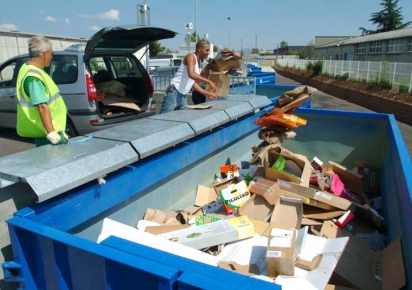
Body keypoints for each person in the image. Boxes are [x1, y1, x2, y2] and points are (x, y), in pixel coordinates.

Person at [16, 35, 68, 147]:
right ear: (44, 54)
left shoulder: (28, 68)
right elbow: (42, 106)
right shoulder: (33, 77)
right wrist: (52, 134)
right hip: (46, 135)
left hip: (49, 131)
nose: (52, 57)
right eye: (51, 54)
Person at [159, 40, 217, 114]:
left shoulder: (198, 63)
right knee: (164, 119)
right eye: (207, 50)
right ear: (199, 49)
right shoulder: (190, 56)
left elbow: (194, 84)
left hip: (183, 96)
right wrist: (209, 81)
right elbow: (191, 74)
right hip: (174, 92)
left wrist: (207, 94)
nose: (208, 52)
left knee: (181, 120)